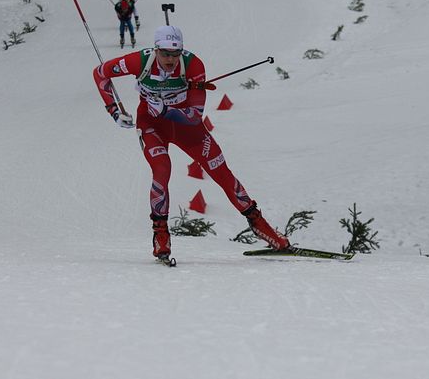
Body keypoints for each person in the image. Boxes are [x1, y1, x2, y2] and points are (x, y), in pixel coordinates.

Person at [93, 25, 290, 261]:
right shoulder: (139, 61)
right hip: (151, 124)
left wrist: (165, 109)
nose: (170, 60)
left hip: (186, 126)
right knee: (161, 169)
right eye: (165, 54)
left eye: (175, 55)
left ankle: (261, 227)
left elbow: (195, 115)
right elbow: (100, 72)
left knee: (222, 173)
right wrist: (114, 111)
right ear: (155, 50)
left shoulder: (194, 65)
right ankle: (161, 235)